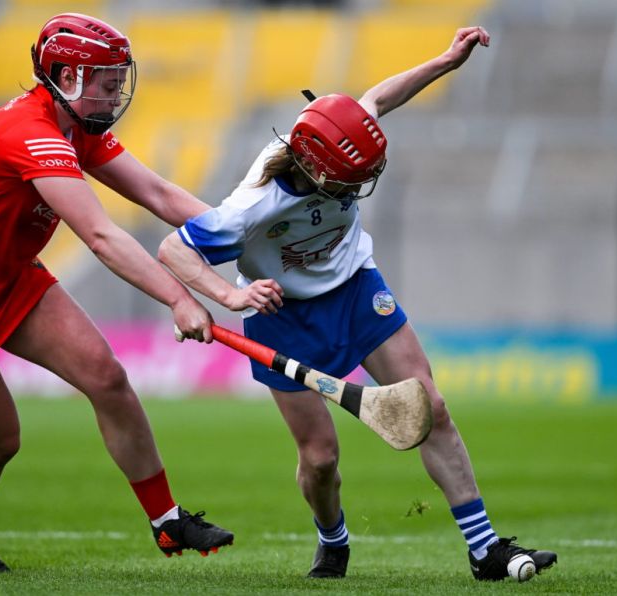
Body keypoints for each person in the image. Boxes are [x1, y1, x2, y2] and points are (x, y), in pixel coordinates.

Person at [159, 26, 558, 581]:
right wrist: (231, 294)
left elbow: (377, 99)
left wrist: (446, 61)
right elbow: (172, 248)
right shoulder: (252, 206)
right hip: (282, 317)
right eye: (351, 179)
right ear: (315, 168)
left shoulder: (336, 134)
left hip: (355, 290)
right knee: (320, 459)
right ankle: (333, 538)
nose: (363, 181)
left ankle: (484, 549)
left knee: (430, 408)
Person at [0, 13, 233, 572]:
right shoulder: (29, 134)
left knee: (108, 378)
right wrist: (179, 297)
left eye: (118, 79)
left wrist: (247, 236)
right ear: (65, 76)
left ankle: (168, 522)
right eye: (104, 80)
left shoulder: (74, 127)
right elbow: (99, 234)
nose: (115, 92)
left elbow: (159, 193)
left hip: (11, 277)